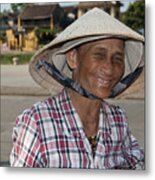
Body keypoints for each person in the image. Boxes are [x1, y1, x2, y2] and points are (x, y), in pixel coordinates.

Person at [10, 8, 144, 169]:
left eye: (117, 58)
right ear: (73, 58)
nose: (109, 69)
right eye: (99, 55)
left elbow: (137, 163)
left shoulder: (118, 120)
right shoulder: (36, 123)